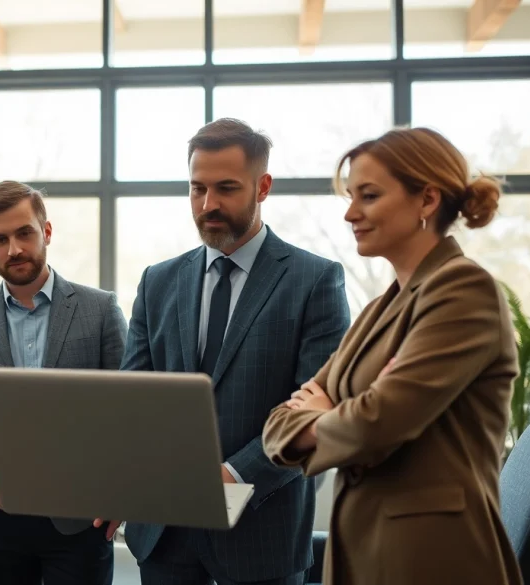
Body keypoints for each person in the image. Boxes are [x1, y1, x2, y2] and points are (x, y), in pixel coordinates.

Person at [262, 127, 524, 585]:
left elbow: (378, 422)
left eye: (368, 195)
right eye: (350, 196)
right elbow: (278, 425)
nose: (350, 213)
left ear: (426, 200)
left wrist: (329, 412)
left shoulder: (463, 290)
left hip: (431, 559)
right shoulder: (381, 307)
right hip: (368, 549)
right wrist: (341, 415)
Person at [110, 118, 350, 585]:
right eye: (197, 189)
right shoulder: (158, 281)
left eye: (225, 188)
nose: (208, 204)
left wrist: (233, 475)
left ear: (262, 187)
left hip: (262, 534)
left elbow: (316, 412)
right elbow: (133, 400)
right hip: (164, 531)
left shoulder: (315, 280)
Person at [0, 180, 128, 585]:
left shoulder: (100, 310)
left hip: (82, 516)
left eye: (24, 233)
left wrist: (119, 490)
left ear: (46, 231)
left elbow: (127, 412)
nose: (14, 249)